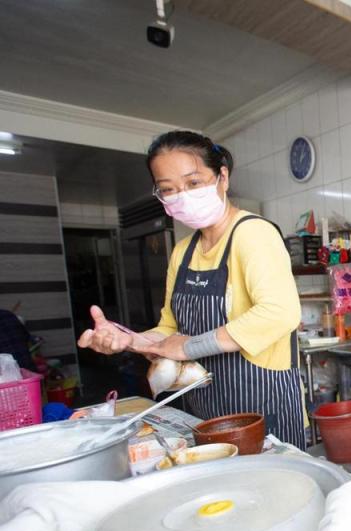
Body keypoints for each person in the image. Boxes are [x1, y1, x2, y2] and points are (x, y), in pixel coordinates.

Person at [77, 131, 306, 449]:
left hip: (263, 405)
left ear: (222, 177)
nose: (181, 195)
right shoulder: (183, 251)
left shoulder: (252, 233)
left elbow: (280, 314)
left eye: (194, 183)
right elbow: (170, 331)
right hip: (205, 407)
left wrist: (188, 348)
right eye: (168, 189)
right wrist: (129, 340)